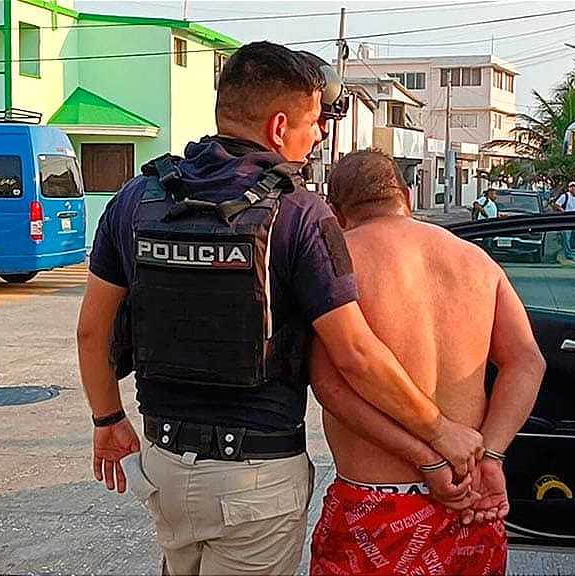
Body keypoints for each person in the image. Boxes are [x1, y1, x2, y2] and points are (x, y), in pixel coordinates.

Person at [76, 42, 482, 576]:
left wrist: (108, 419)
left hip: (164, 464)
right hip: (255, 481)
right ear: (279, 126)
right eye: (314, 123)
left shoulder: (136, 198)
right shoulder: (300, 213)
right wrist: (441, 430)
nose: (319, 136)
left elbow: (92, 332)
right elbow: (356, 353)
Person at [310, 150, 546, 575]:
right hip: (471, 501)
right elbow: (527, 362)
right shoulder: (476, 259)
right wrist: (490, 456)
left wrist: (426, 458)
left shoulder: (336, 263)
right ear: (406, 196)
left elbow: (331, 388)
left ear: (336, 212)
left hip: (377, 509)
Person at [554, 181, 575, 259]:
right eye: (571, 186)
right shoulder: (565, 196)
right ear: (568, 188)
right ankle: (568, 254)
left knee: (574, 238)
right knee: (567, 238)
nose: (573, 188)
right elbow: (557, 204)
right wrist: (564, 212)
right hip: (567, 220)